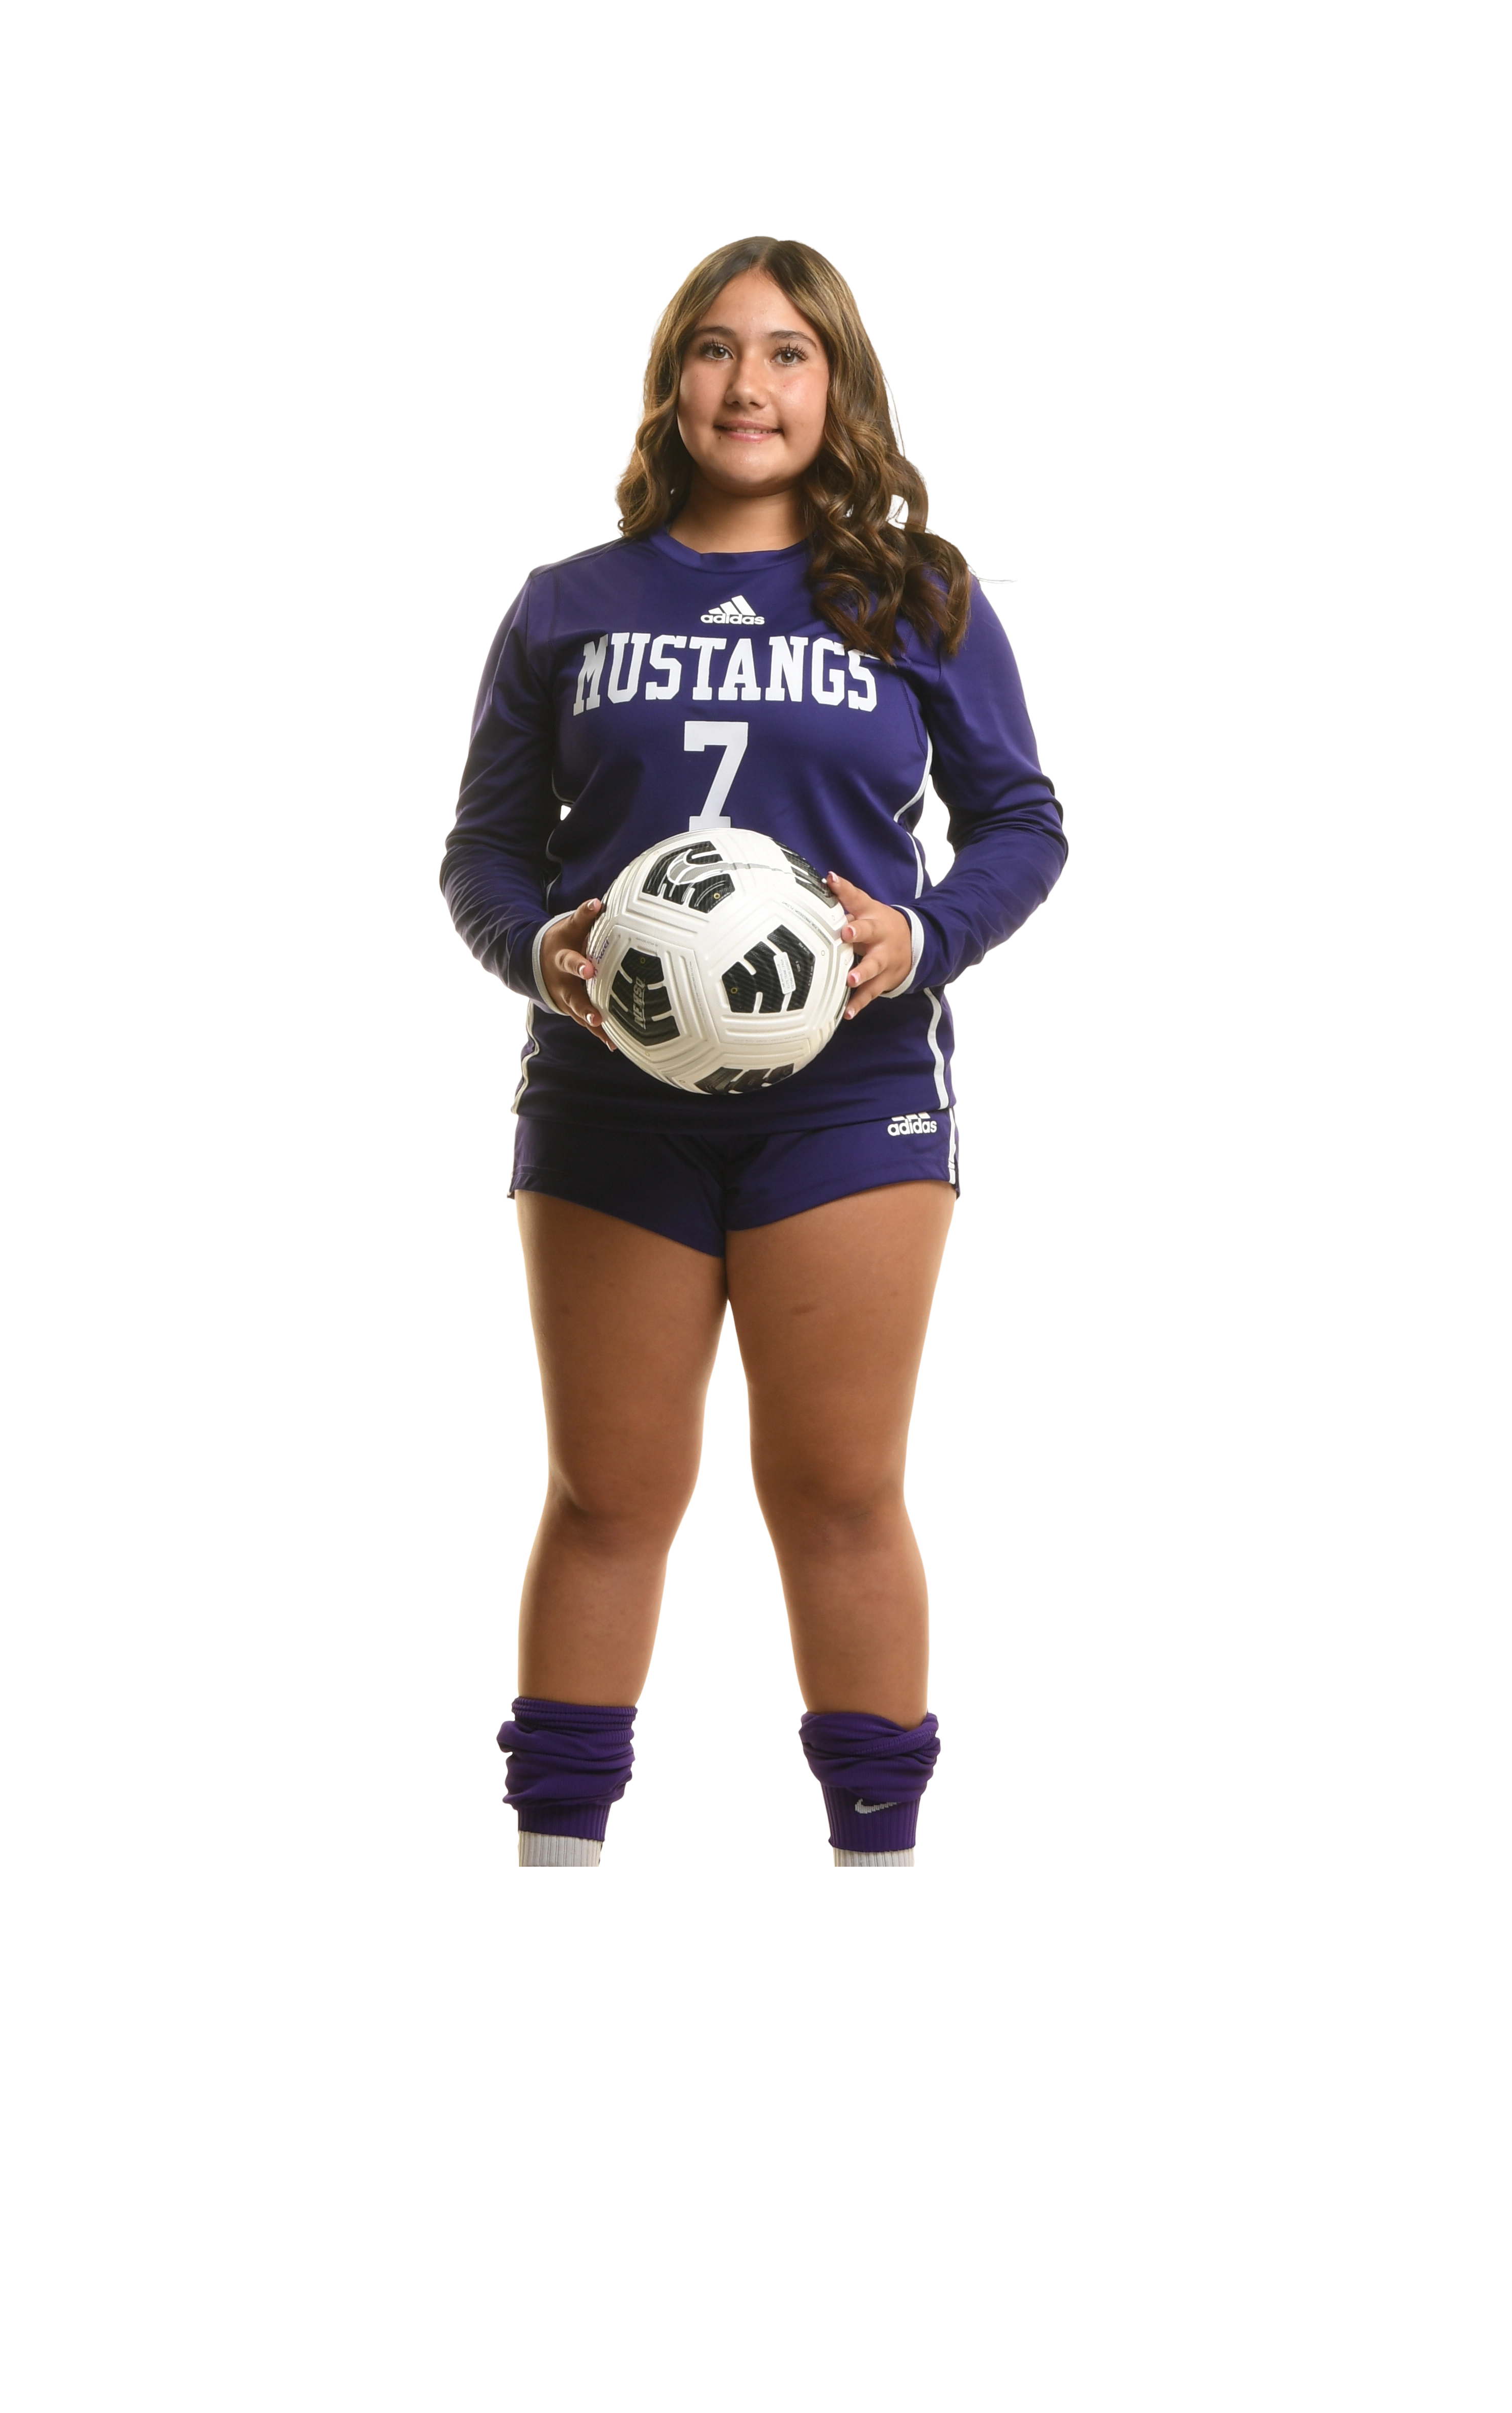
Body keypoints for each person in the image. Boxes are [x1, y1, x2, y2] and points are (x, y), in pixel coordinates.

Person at [440, 235, 1067, 1864]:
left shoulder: (924, 596)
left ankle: (878, 1863)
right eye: (716, 349)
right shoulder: (569, 605)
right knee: (606, 1497)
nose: (750, 385)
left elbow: (1022, 822)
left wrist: (922, 934)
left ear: (842, 382)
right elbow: (484, 852)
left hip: (855, 1098)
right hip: (607, 1101)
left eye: (791, 352)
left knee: (838, 1491)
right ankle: (557, 1863)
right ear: (668, 379)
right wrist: (542, 950)